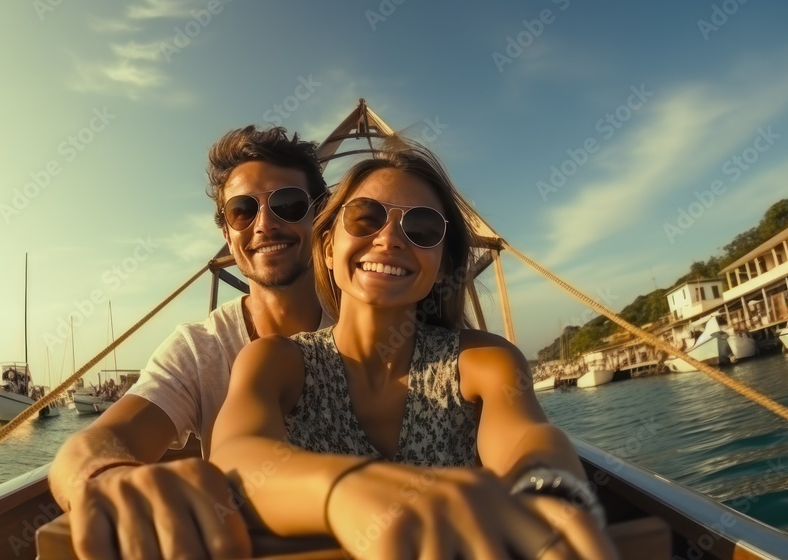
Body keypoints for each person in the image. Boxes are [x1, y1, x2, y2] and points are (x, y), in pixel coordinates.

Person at [210, 142, 617, 559]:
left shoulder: (480, 362)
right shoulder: (277, 362)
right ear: (329, 248)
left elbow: (527, 439)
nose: (389, 238)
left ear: (440, 264)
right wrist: (346, 491)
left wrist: (548, 490)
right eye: (365, 217)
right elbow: (236, 459)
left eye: (422, 229)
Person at [49, 125, 330, 559]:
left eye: (288, 205)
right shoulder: (203, 350)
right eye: (242, 211)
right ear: (225, 230)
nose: (265, 224)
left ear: (320, 214)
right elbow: (94, 444)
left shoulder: (370, 326)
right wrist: (111, 476)